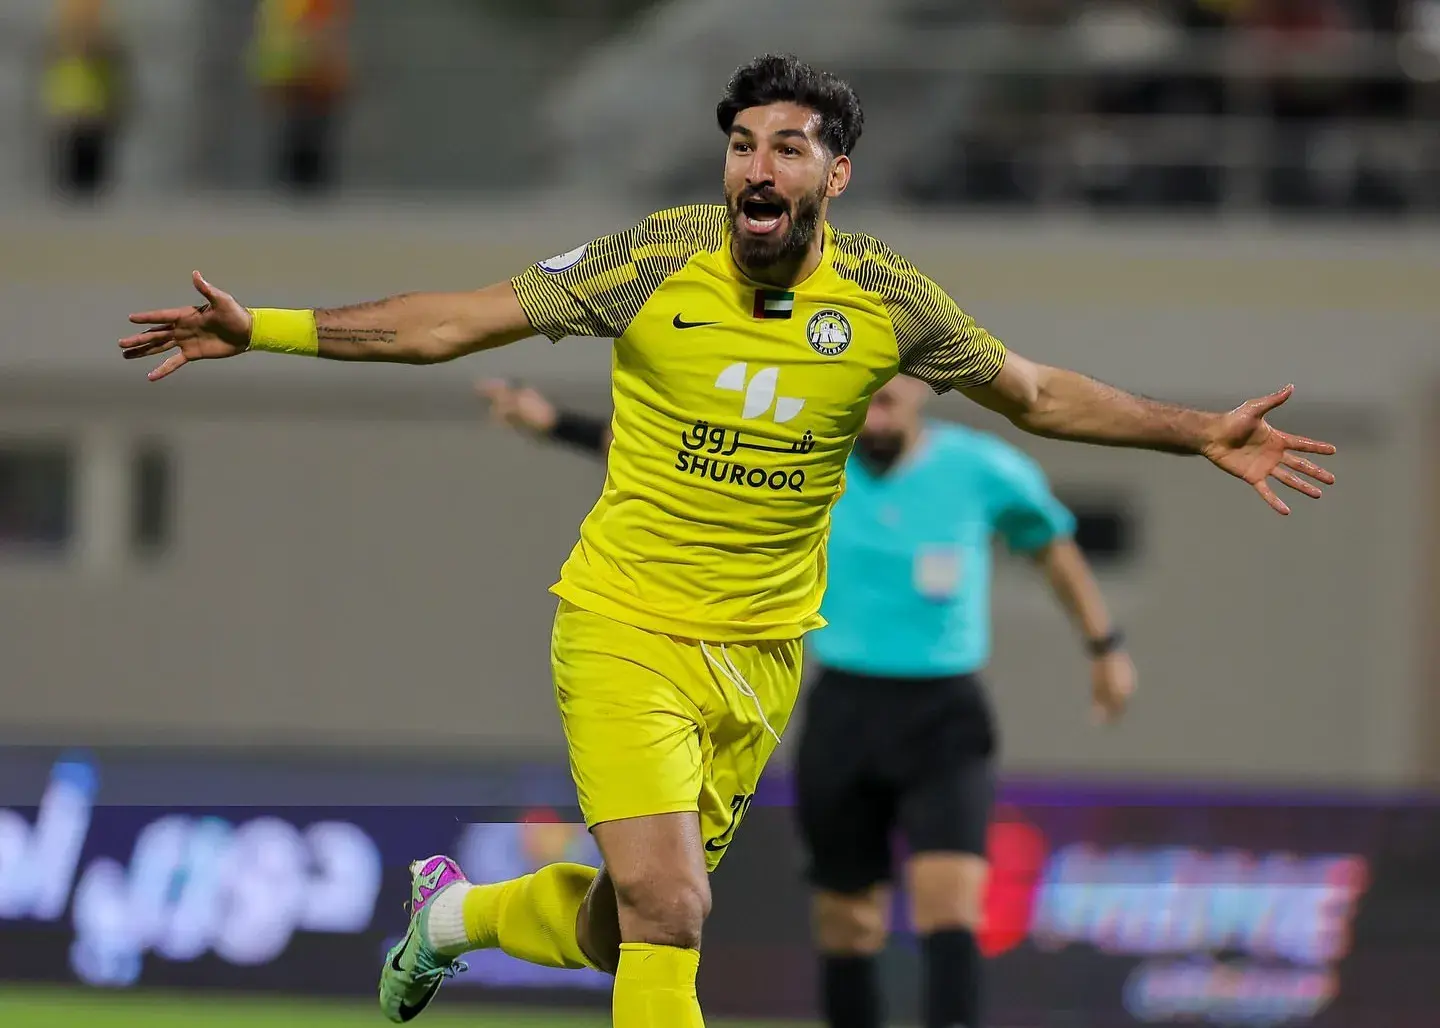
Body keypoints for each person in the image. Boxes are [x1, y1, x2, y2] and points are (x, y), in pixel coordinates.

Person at [116, 54, 1335, 1028]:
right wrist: (266, 327)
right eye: (742, 143)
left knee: (627, 924)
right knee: (671, 903)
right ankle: (465, 921)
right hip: (625, 625)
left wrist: (1197, 432)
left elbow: (1038, 394)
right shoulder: (651, 260)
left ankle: (452, 920)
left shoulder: (888, 300)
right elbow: (455, 322)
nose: (756, 165)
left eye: (787, 147)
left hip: (761, 656)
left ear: (835, 175)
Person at [474, 374, 1135, 1028]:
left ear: (922, 388)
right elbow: (670, 453)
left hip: (945, 715)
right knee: (848, 920)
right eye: (871, 398)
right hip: (844, 705)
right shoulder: (810, 455)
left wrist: (1105, 646)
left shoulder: (982, 468)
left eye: (893, 397)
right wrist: (554, 423)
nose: (878, 414)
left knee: (950, 907)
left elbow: (1052, 548)